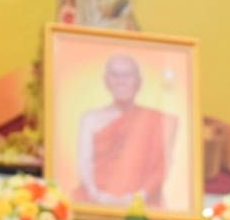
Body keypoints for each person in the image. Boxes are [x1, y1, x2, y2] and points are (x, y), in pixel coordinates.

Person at [75, 54, 177, 208]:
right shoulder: (90, 119)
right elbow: (84, 162)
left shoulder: (156, 119)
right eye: (115, 75)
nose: (121, 81)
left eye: (128, 75)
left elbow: (163, 164)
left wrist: (139, 196)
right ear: (106, 81)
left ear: (139, 82)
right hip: (95, 201)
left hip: (144, 204)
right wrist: (97, 195)